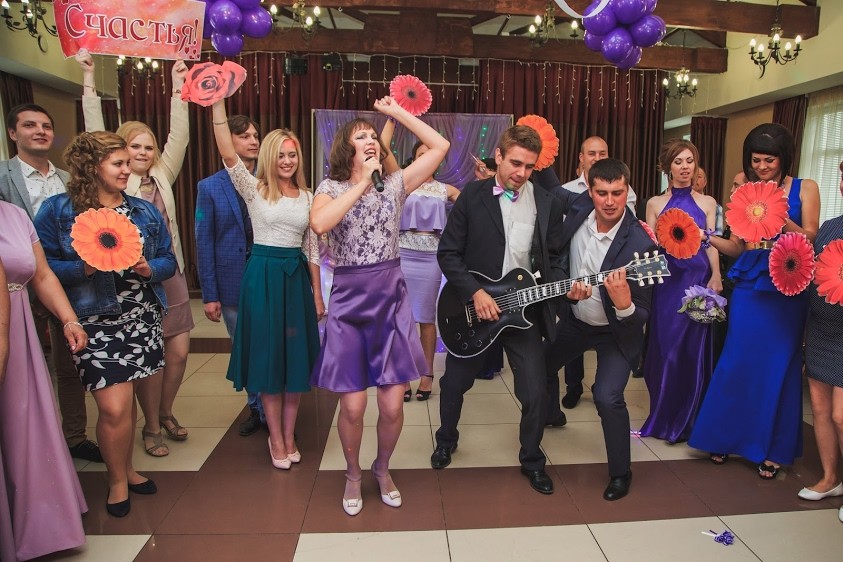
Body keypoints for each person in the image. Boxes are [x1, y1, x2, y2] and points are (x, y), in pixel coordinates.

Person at [310, 96, 449, 515]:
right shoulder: (330, 188)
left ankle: (382, 468)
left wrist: (397, 114)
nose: (370, 140)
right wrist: (363, 182)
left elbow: (440, 146)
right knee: (353, 406)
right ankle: (353, 473)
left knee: (391, 404)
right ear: (345, 147)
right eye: (361, 137)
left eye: (374, 135)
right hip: (350, 302)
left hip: (390, 299)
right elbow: (320, 223)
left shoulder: (397, 185)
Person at [35, 131, 176, 517]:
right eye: (118, 163)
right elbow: (41, 268)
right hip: (91, 321)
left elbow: (169, 260)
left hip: (141, 317)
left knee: (126, 405)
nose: (127, 170)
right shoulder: (58, 211)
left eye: (128, 163)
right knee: (113, 407)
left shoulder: (143, 211)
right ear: (92, 166)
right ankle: (116, 482)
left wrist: (149, 268)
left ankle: (127, 470)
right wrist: (81, 268)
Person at [432, 125, 565, 496]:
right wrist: (475, 293)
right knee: (454, 383)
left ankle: (532, 459)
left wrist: (564, 285)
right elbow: (448, 253)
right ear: (499, 156)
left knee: (535, 392)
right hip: (475, 309)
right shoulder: (472, 196)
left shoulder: (546, 202)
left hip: (523, 312)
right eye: (515, 163)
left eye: (529, 167)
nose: (521, 173)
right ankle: (446, 440)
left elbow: (554, 258)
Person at [79, 50, 193, 457]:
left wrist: (178, 86)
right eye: (134, 147)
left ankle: (165, 410)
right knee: (150, 356)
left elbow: (179, 135)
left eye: (148, 147)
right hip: (127, 281)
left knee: (178, 352)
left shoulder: (162, 175)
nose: (143, 153)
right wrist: (89, 81)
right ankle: (151, 428)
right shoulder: (116, 183)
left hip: (168, 270)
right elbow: (95, 133)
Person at [689, 123, 820, 478]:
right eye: (755, 160)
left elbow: (811, 236)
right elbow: (737, 246)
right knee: (737, 359)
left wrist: (779, 216)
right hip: (750, 282)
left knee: (778, 366)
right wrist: (705, 237)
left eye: (769, 160)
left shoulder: (805, 187)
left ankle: (773, 448)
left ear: (785, 158)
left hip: (789, 284)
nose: (761, 167)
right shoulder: (745, 191)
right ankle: (724, 437)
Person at [208, 98, 323, 470]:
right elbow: (227, 151)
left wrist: (318, 295)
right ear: (270, 157)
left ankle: (290, 435)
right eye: (281, 155)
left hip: (295, 282)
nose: (287, 161)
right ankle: (276, 438)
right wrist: (217, 103)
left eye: (293, 155)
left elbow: (312, 249)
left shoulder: (309, 197)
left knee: (294, 362)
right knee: (269, 362)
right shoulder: (253, 188)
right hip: (262, 279)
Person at [545, 158, 656, 501]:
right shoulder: (578, 208)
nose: (610, 201)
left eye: (617, 193)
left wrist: (624, 304)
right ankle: (551, 414)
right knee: (538, 367)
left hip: (615, 332)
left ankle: (621, 474)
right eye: (602, 193)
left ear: (628, 191)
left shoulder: (640, 244)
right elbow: (549, 186)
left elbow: (642, 316)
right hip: (576, 322)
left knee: (608, 398)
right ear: (589, 191)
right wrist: (564, 287)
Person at [0, 103, 102, 463]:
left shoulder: (67, 180)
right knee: (19, 368)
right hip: (12, 289)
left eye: (46, 125)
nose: (40, 131)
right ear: (13, 133)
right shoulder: (2, 176)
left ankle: (73, 437)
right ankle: (21, 441)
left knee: (68, 366)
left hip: (61, 283)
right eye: (30, 125)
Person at [0, 216, 89, 559]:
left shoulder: (14, 215)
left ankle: (37, 524)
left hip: (18, 329)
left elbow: (42, 275)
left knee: (24, 425)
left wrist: (69, 319)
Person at [639, 140, 721, 444]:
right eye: (678, 162)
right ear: (667, 167)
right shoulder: (654, 204)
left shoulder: (709, 203)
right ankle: (662, 416)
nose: (685, 167)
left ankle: (691, 420)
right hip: (667, 283)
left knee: (692, 351)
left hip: (698, 280)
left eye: (689, 161)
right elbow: (648, 249)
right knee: (665, 349)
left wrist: (716, 275)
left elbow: (711, 243)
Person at [195, 114, 267, 436]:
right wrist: (209, 294)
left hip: (266, 276)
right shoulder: (209, 187)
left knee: (269, 345)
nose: (253, 141)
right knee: (245, 348)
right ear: (228, 141)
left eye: (255, 135)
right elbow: (204, 241)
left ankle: (273, 410)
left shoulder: (270, 180)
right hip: (231, 281)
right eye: (245, 136)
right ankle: (256, 407)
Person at [555, 135, 638, 410]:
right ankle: (571, 390)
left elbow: (627, 229)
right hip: (574, 292)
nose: (610, 201)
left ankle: (604, 385)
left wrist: (624, 302)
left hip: (610, 304)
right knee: (556, 354)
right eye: (592, 153)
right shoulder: (570, 194)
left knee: (607, 391)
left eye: (603, 153)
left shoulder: (624, 193)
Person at [381, 122, 460, 401]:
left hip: (431, 260)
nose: (426, 159)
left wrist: (485, 179)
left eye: (430, 155)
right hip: (402, 255)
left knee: (426, 318)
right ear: (414, 160)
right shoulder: (402, 181)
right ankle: (402, 375)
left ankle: (427, 374)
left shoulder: (445, 189)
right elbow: (383, 148)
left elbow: (471, 207)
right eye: (420, 156)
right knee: (401, 318)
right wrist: (393, 118)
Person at [798, 160, 843, 523]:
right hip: (820, 330)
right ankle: (830, 479)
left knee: (842, 416)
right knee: (820, 410)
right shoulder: (829, 227)